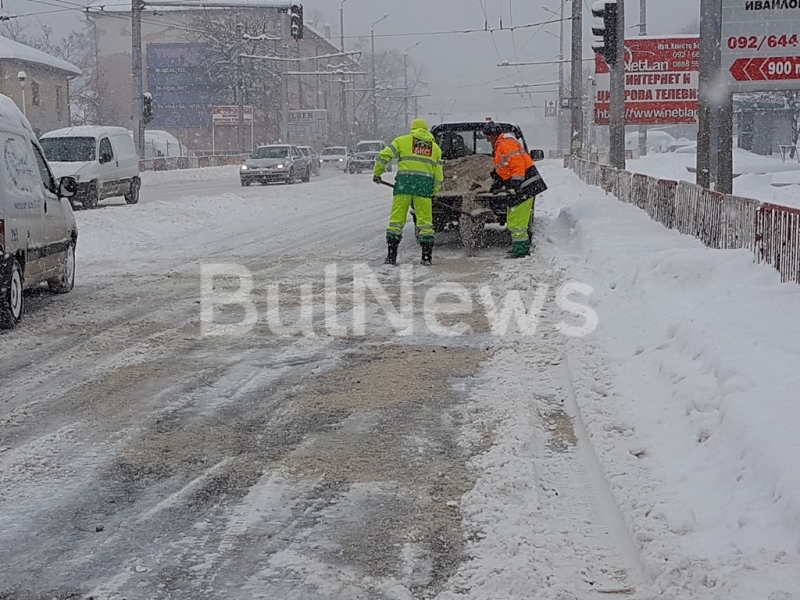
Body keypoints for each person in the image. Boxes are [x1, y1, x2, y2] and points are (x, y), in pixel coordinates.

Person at [374, 118, 444, 266]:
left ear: (412, 129)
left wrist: (377, 173)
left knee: (396, 220)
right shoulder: (435, 148)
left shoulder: (402, 141)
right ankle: (426, 258)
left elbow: (383, 156)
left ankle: (391, 257)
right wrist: (434, 191)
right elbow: (438, 175)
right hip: (424, 187)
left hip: (404, 184)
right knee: (425, 223)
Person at [483, 120, 547, 258]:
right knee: (514, 220)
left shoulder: (506, 143)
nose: (488, 140)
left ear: (493, 135)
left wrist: (516, 182)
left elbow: (517, 163)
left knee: (518, 222)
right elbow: (505, 166)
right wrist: (498, 180)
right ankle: (518, 247)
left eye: (488, 137)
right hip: (522, 186)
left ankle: (521, 251)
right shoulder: (501, 145)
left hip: (526, 186)